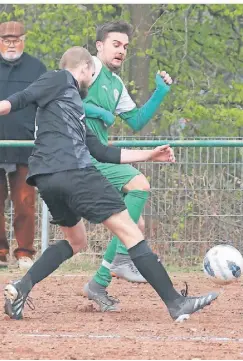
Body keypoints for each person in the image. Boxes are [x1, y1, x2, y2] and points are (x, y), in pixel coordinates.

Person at [0, 46, 218, 322]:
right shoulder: (60, 78)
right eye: (91, 75)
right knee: (131, 232)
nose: (91, 80)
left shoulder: (70, 110)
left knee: (76, 241)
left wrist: (149, 155)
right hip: (74, 172)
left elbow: (104, 152)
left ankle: (21, 288)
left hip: (48, 179)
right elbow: (18, 99)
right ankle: (176, 302)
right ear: (85, 69)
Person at [82, 20, 173, 310]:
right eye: (115, 44)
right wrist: (99, 112)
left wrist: (159, 92)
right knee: (139, 185)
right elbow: (62, 98)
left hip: (97, 156)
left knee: (134, 221)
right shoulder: (89, 67)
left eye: (125, 47)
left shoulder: (116, 83)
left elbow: (135, 121)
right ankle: (120, 259)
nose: (121, 51)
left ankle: (99, 282)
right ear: (99, 46)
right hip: (79, 155)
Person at [0, 21, 47, 270]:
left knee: (25, 203)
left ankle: (24, 252)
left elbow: (47, 104)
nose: (11, 43)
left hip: (25, 148)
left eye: (15, 39)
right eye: (6, 39)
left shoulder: (37, 68)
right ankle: (0, 252)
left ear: (24, 39)